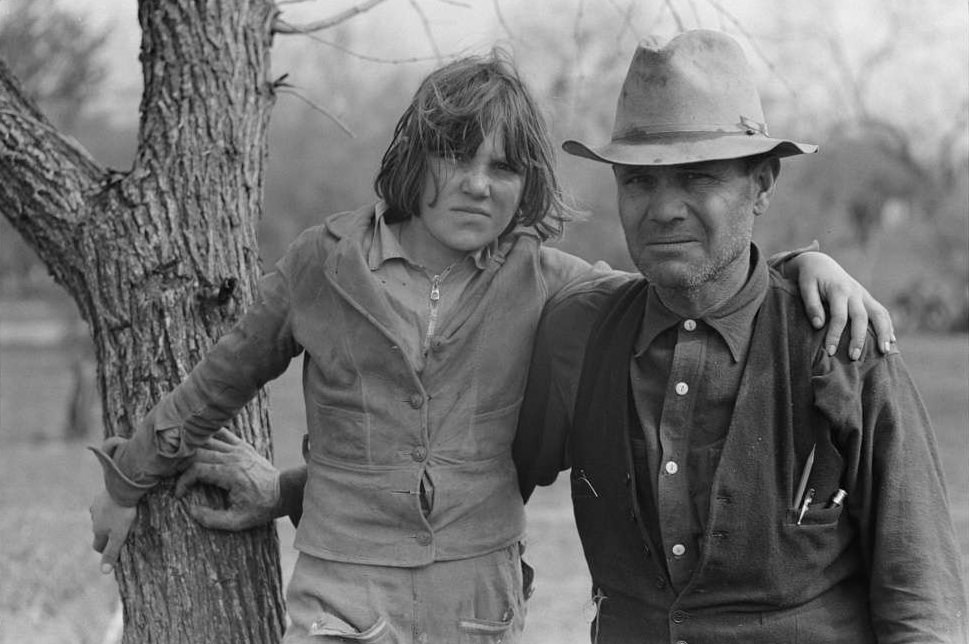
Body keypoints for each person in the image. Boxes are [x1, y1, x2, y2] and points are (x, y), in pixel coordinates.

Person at [89, 49, 894, 643]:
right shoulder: (321, 267)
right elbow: (215, 385)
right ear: (414, 158)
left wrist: (800, 265)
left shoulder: (548, 281)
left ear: (527, 185)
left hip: (479, 602)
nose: (478, 184)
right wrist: (128, 482)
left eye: (503, 168)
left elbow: (687, 285)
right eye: (456, 157)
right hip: (339, 591)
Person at [512, 30, 967, 643]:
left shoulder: (841, 344)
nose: (663, 208)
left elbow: (921, 600)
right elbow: (482, 479)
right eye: (639, 182)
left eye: (697, 178)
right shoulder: (579, 333)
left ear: (763, 184)